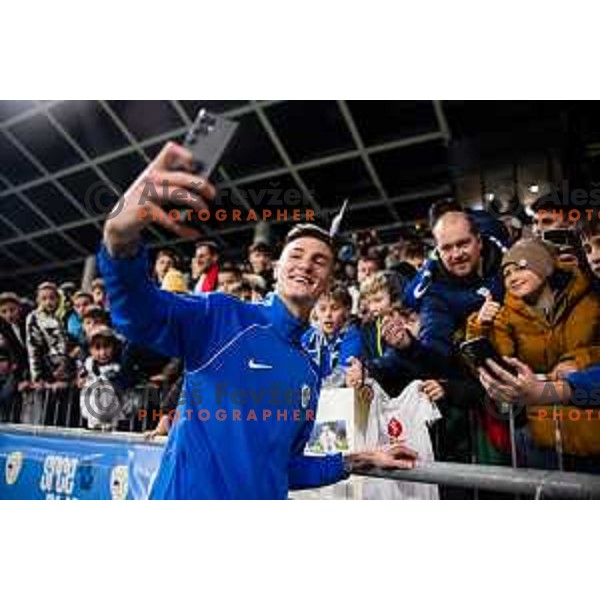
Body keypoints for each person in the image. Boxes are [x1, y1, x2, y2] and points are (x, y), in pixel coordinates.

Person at [99, 141, 417, 500]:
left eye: (319, 260)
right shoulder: (222, 315)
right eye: (296, 255)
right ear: (278, 268)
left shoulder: (310, 368)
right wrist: (118, 241)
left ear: (329, 281)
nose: (306, 264)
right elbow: (138, 316)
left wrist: (360, 458)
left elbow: (285, 466)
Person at [302, 285, 362, 387]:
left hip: (338, 396)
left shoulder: (352, 335)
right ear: (315, 311)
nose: (328, 314)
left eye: (334, 308)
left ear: (346, 311)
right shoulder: (309, 336)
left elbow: (342, 372)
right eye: (322, 309)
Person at [79, 326, 127, 431]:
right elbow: (81, 380)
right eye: (97, 348)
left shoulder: (116, 368)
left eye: (106, 347)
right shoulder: (88, 364)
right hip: (91, 414)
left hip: (110, 417)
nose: (103, 353)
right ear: (90, 350)